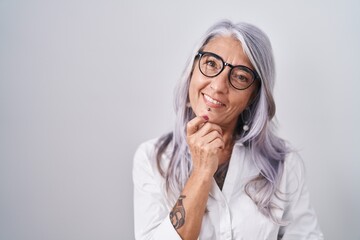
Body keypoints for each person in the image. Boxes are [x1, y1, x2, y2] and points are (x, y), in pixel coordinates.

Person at [133, 20, 324, 240]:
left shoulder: (284, 164)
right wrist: (202, 172)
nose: (218, 86)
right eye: (212, 64)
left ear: (253, 96)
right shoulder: (152, 159)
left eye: (240, 77)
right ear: (192, 70)